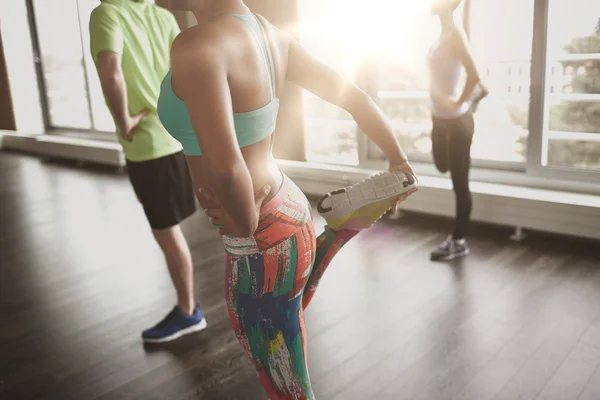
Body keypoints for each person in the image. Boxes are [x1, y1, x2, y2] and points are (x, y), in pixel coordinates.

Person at [158, 0, 417, 398]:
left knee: (288, 387)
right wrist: (398, 161)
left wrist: (244, 230)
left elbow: (227, 170)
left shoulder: (197, 45)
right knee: (284, 310)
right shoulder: (268, 32)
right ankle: (343, 225)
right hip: (288, 207)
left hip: (257, 224)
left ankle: (342, 228)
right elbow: (356, 97)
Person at [89, 0, 206, 343]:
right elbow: (182, 74)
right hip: (176, 136)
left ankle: (188, 312)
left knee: (166, 232)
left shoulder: (106, 13)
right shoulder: (163, 15)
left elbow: (110, 71)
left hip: (149, 145)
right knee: (173, 227)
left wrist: (124, 119)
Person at [427, 0, 487, 261]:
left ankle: (459, 240)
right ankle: (476, 99)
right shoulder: (444, 35)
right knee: (441, 165)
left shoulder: (454, 35)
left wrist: (459, 102)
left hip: (456, 122)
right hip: (438, 118)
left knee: (459, 184)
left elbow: (473, 73)